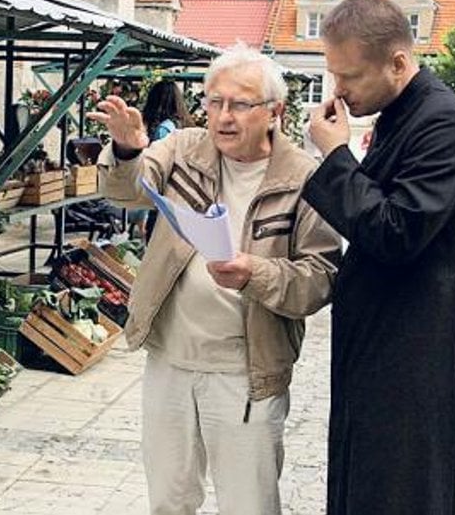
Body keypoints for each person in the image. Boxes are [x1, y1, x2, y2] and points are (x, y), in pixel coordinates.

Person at [87, 44, 341, 515]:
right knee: (169, 500)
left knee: (249, 504)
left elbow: (319, 278)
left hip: (246, 372)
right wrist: (126, 149)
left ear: (274, 112)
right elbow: (127, 190)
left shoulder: (305, 179)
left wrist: (254, 273)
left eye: (240, 104)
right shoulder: (184, 149)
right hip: (170, 362)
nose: (223, 117)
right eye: (214, 102)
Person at [302, 0, 455, 515]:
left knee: (404, 488)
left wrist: (337, 157)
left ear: (399, 63)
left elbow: (396, 231)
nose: (339, 91)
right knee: (369, 478)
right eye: (334, 75)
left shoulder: (444, 123)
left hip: (417, 349)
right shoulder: (403, 113)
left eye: (350, 77)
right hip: (387, 338)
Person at [126, 80, 190, 242]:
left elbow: (156, 174)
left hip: (164, 207)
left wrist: (142, 214)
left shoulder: (163, 130)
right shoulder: (181, 127)